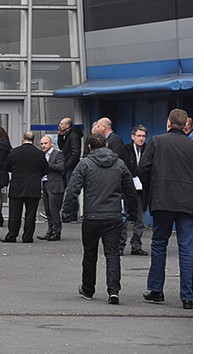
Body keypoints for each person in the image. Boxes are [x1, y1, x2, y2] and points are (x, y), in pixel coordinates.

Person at [63, 133, 138, 305]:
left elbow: (72, 189)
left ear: (89, 147)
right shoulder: (119, 164)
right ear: (106, 146)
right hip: (113, 216)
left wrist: (66, 213)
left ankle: (88, 289)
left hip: (92, 216)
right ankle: (113, 291)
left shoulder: (85, 164)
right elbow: (130, 191)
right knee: (112, 254)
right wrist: (132, 213)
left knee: (90, 254)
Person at [139, 109, 193, 310]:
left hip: (162, 199)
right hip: (188, 201)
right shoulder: (194, 145)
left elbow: (142, 168)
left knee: (159, 243)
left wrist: (153, 186)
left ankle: (156, 290)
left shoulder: (156, 141)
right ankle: (188, 296)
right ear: (185, 125)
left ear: (169, 123)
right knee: (187, 248)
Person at [0, 132, 49, 244]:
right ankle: (27, 237)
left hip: (17, 186)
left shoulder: (14, 152)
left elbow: (6, 166)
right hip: (33, 187)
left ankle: (12, 235)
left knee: (15, 213)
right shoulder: (39, 154)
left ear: (23, 139)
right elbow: (46, 170)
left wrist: (17, 171)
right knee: (30, 214)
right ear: (34, 140)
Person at [118, 125, 148, 256]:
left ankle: (136, 245)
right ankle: (120, 246)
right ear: (133, 137)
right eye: (139, 136)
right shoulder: (124, 150)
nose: (141, 139)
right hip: (126, 190)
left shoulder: (148, 150)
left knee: (140, 220)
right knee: (123, 219)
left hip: (142, 191)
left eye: (143, 136)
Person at [38, 136, 65, 241]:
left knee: (54, 209)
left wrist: (47, 165)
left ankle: (56, 231)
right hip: (44, 183)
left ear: (51, 143)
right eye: (42, 144)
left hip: (54, 184)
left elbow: (61, 167)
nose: (43, 146)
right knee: (47, 209)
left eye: (45, 143)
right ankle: (50, 230)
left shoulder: (58, 154)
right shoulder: (42, 155)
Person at [57, 117, 83, 222]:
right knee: (65, 189)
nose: (60, 125)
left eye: (62, 124)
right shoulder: (67, 134)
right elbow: (62, 147)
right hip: (67, 165)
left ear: (68, 126)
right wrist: (60, 136)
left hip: (70, 166)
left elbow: (75, 152)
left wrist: (68, 165)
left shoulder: (73, 135)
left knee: (71, 190)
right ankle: (65, 212)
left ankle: (72, 213)